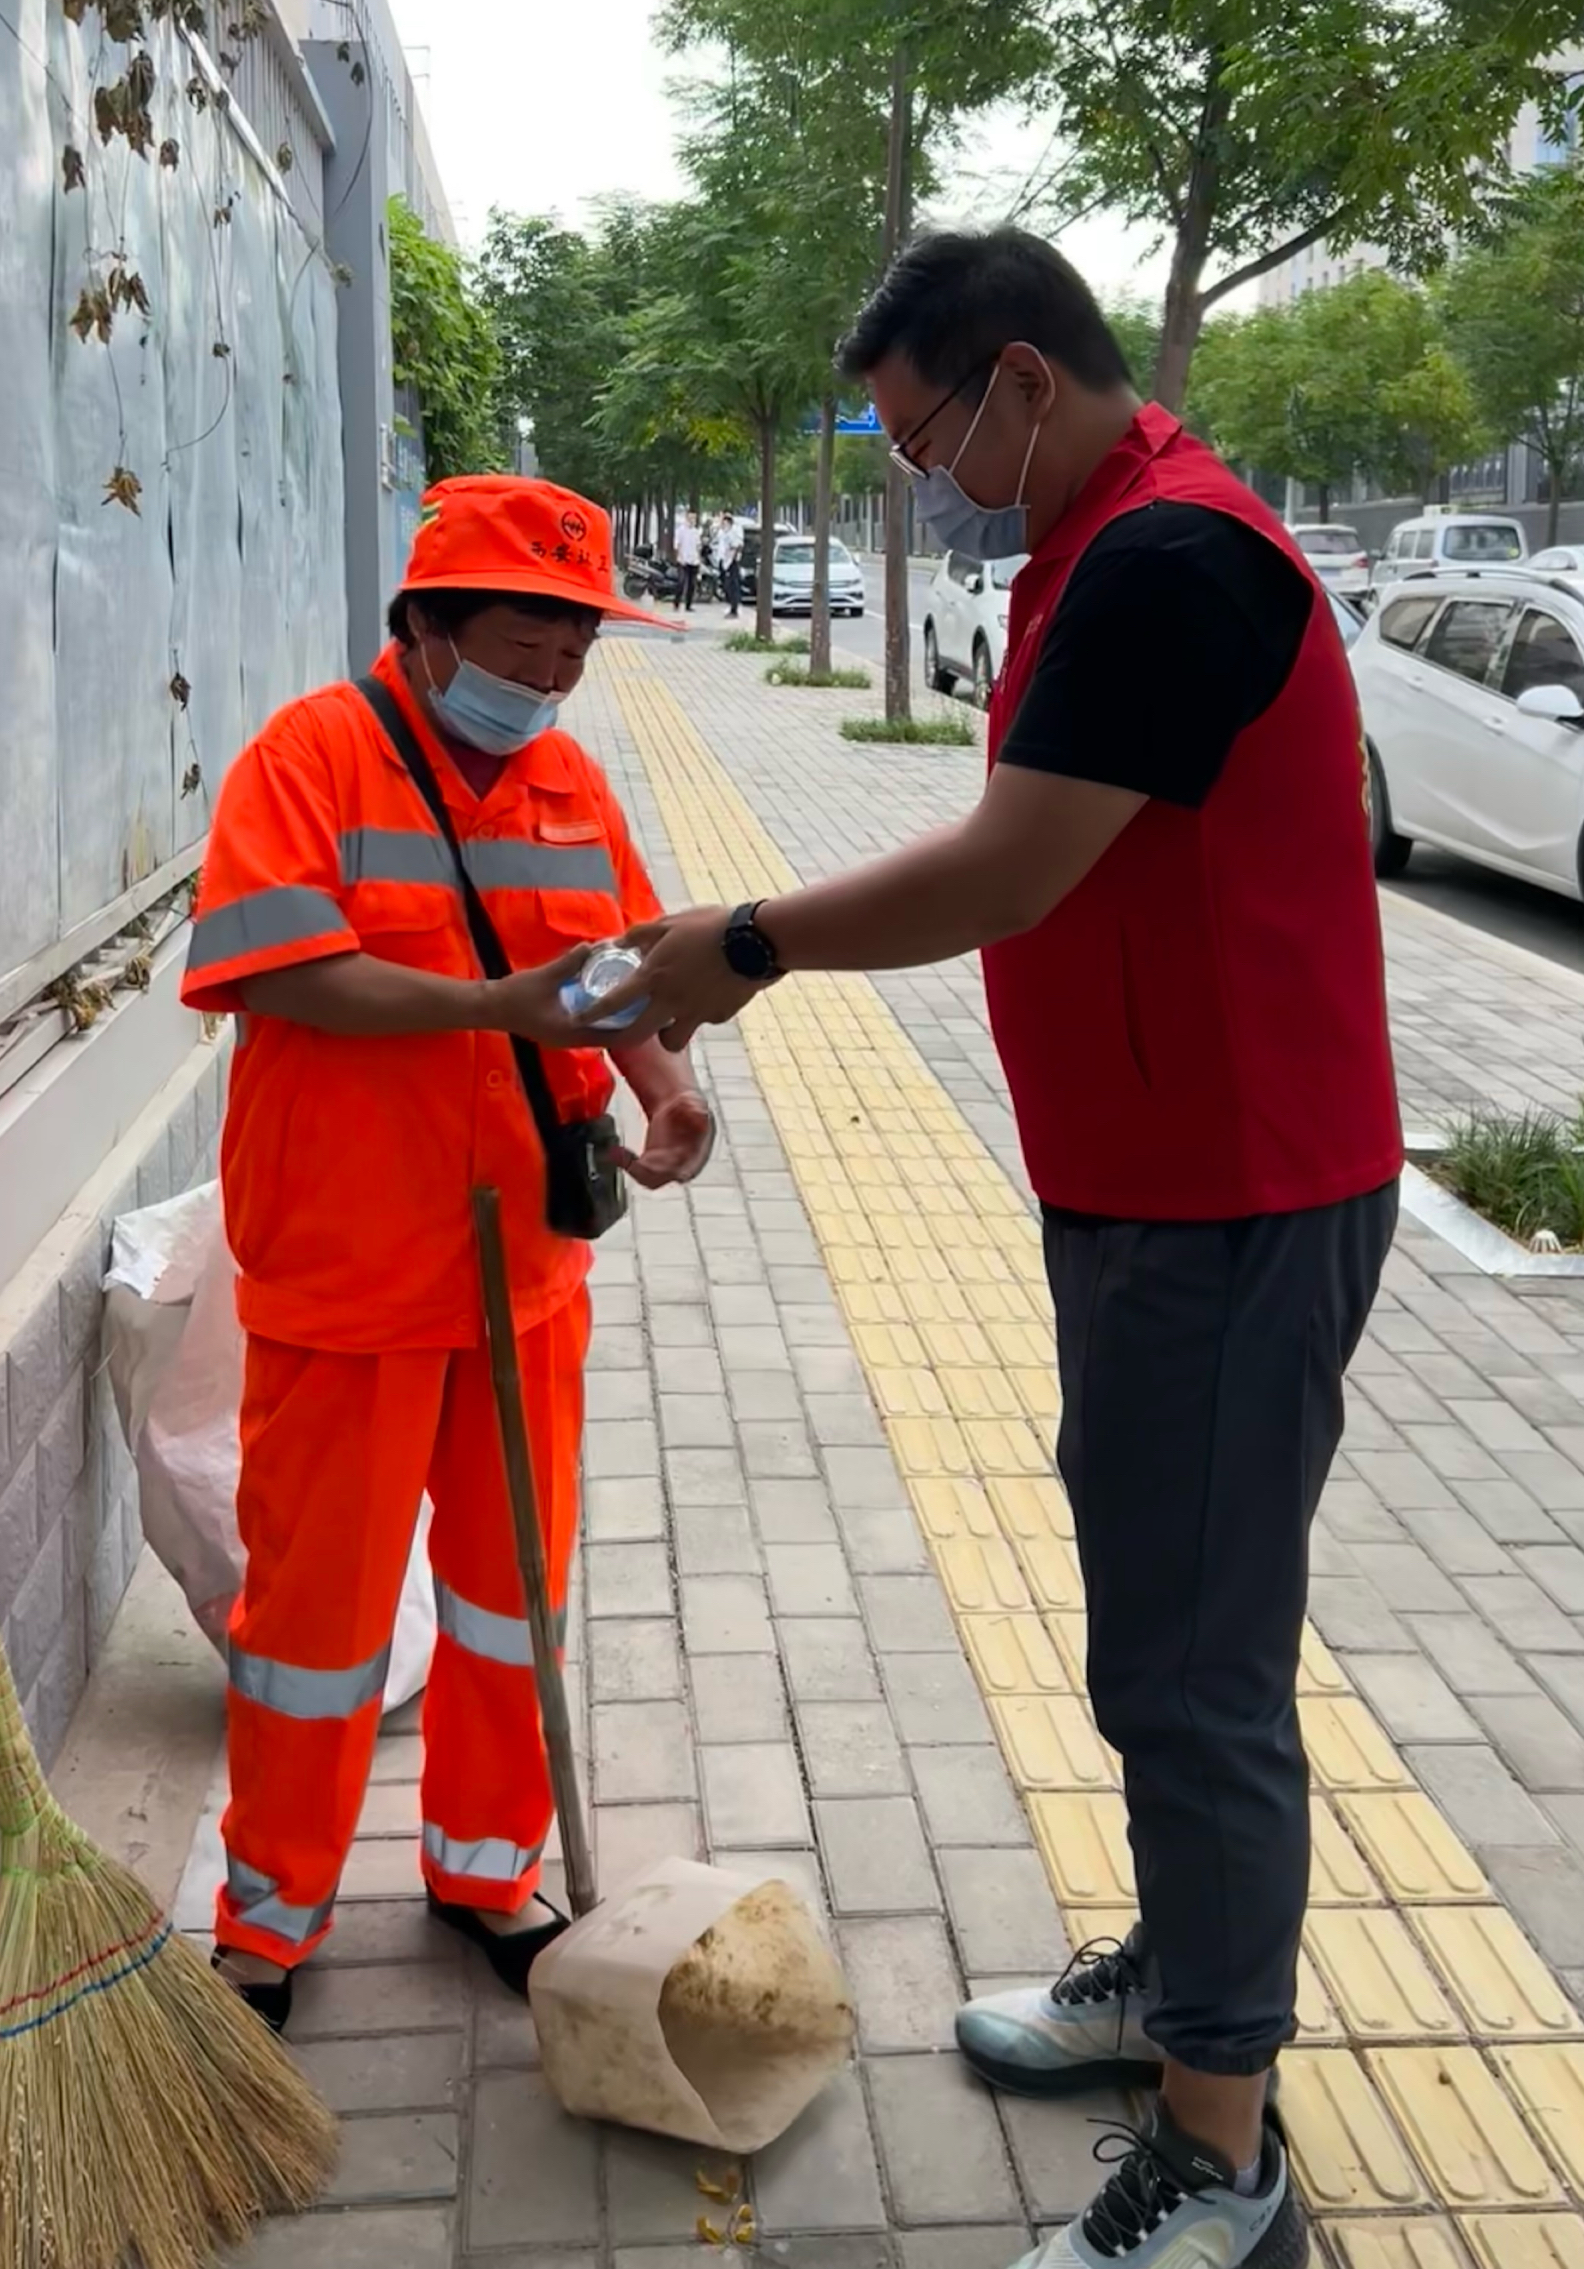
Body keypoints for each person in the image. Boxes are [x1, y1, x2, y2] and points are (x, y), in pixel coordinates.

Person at [617, 225, 1397, 2269]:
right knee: (1157, 1619)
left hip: (1234, 1195)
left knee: (1194, 1662)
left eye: (922, 433)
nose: (918, 476)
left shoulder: (1168, 562)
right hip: (1154, 1180)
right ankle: (1176, 1981)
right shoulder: (1096, 545)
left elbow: (1012, 866)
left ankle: (1224, 2155)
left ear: (1024, 382)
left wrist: (744, 944)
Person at [176, 476, 717, 2032]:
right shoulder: (311, 758)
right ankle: (268, 1919)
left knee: (509, 1600)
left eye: (575, 645)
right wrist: (497, 1008)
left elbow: (623, 981)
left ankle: (487, 1872)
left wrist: (671, 1092)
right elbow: (281, 976)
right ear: (424, 626)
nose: (550, 672)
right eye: (526, 635)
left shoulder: (571, 788)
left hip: (526, 1277)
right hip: (348, 1279)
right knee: (316, 1629)